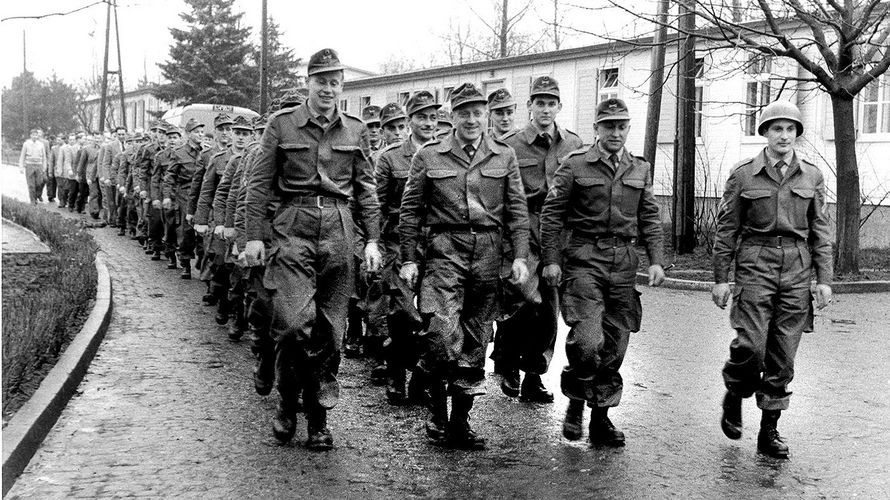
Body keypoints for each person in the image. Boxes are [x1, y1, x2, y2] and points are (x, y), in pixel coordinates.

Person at [243, 48, 383, 451]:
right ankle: (288, 402)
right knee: (290, 323)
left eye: (334, 82)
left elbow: (366, 190)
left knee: (330, 331)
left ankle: (317, 417)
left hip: (340, 229)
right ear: (309, 83)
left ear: (342, 86)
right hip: (293, 227)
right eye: (320, 80)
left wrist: (372, 239)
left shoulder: (355, 130)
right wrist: (254, 235)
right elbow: (259, 184)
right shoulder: (282, 125)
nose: (328, 88)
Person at [399, 83, 530, 450]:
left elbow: (518, 209)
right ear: (452, 116)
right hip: (444, 249)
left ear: (485, 115)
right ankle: (437, 413)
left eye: (478, 112)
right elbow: (410, 212)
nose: (472, 119)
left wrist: (519, 255)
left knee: (475, 337)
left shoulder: (503, 155)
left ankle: (459, 421)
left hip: (488, 252)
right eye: (464, 113)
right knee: (441, 334)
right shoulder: (429, 155)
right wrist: (409, 258)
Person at [540, 97, 665, 447]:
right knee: (587, 340)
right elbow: (552, 216)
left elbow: (650, 217)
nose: (616, 132)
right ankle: (576, 402)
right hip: (584, 258)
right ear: (596, 128)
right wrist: (551, 259)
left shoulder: (639, 168)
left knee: (615, 344)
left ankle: (601, 419)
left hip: (624, 262)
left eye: (622, 126)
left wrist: (656, 258)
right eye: (609, 125)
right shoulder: (575, 165)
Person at [712, 100, 832, 459]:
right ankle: (734, 394)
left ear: (797, 134)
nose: (783, 135)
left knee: (783, 354)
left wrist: (824, 278)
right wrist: (721, 278)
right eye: (776, 128)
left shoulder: (811, 176)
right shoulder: (744, 174)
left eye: (790, 129)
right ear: (764, 133)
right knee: (751, 345)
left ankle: (769, 430)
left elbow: (820, 230)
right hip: (755, 262)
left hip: (797, 265)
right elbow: (727, 228)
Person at [493, 76, 584, 403]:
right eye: (539, 103)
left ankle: (534, 374)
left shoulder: (573, 145)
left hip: (558, 231)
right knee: (523, 297)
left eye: (551, 103)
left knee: (549, 306)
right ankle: (509, 364)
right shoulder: (510, 145)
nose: (545, 109)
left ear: (559, 107)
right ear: (529, 106)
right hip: (523, 226)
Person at [374, 90, 439, 405]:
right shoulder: (389, 158)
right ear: (410, 121)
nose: (428, 123)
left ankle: (421, 378)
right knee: (404, 313)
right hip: (397, 242)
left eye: (432, 117)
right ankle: (397, 371)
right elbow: (376, 205)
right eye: (421, 117)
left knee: (432, 317)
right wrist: (373, 243)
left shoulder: (445, 154)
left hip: (438, 243)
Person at [163, 118, 205, 279]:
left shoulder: (206, 152)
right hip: (184, 194)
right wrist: (167, 196)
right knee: (186, 230)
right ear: (188, 134)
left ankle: (203, 260)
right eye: (196, 132)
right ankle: (185, 263)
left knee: (203, 229)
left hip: (202, 195)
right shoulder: (179, 153)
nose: (200, 135)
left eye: (202, 132)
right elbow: (170, 177)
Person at [100, 126, 126, 227]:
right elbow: (106, 163)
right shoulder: (110, 146)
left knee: (121, 200)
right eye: (119, 134)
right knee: (111, 200)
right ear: (116, 135)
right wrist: (106, 178)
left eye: (123, 134)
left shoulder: (129, 145)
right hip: (112, 176)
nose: (121, 136)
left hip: (123, 176)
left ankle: (121, 220)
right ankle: (112, 220)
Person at [19, 128, 48, 204]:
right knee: (31, 184)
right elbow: (22, 156)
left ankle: (36, 196)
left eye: (36, 135)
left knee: (39, 183)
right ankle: (32, 200)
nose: (35, 136)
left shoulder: (41, 144)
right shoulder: (26, 144)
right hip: (30, 165)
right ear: (30, 135)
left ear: (37, 136)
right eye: (33, 135)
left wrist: (44, 167)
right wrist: (21, 167)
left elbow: (44, 157)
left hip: (39, 165)